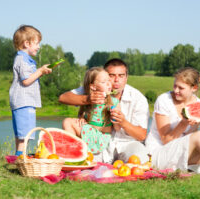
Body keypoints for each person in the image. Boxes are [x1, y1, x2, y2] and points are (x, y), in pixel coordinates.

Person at [59, 58, 150, 164]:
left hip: (127, 143)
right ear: (104, 76)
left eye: (121, 76)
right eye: (112, 75)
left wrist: (123, 122)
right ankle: (72, 155)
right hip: (98, 140)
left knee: (139, 159)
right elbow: (63, 98)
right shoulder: (96, 87)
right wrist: (87, 99)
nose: (116, 80)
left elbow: (142, 135)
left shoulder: (138, 98)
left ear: (126, 78)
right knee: (85, 163)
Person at [9, 25, 52, 156]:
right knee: (25, 133)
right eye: (37, 43)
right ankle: (21, 157)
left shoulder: (24, 59)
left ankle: (19, 156)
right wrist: (40, 71)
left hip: (21, 101)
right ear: (27, 43)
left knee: (21, 133)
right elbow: (26, 80)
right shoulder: (22, 59)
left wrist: (40, 71)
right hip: (24, 101)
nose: (38, 47)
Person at [66, 67, 120, 154]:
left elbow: (117, 128)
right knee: (67, 121)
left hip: (101, 138)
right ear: (93, 87)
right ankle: (73, 152)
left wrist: (116, 118)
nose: (108, 84)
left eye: (109, 80)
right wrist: (82, 119)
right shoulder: (89, 100)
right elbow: (81, 115)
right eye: (104, 82)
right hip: (89, 133)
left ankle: (73, 152)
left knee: (67, 122)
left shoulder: (114, 102)